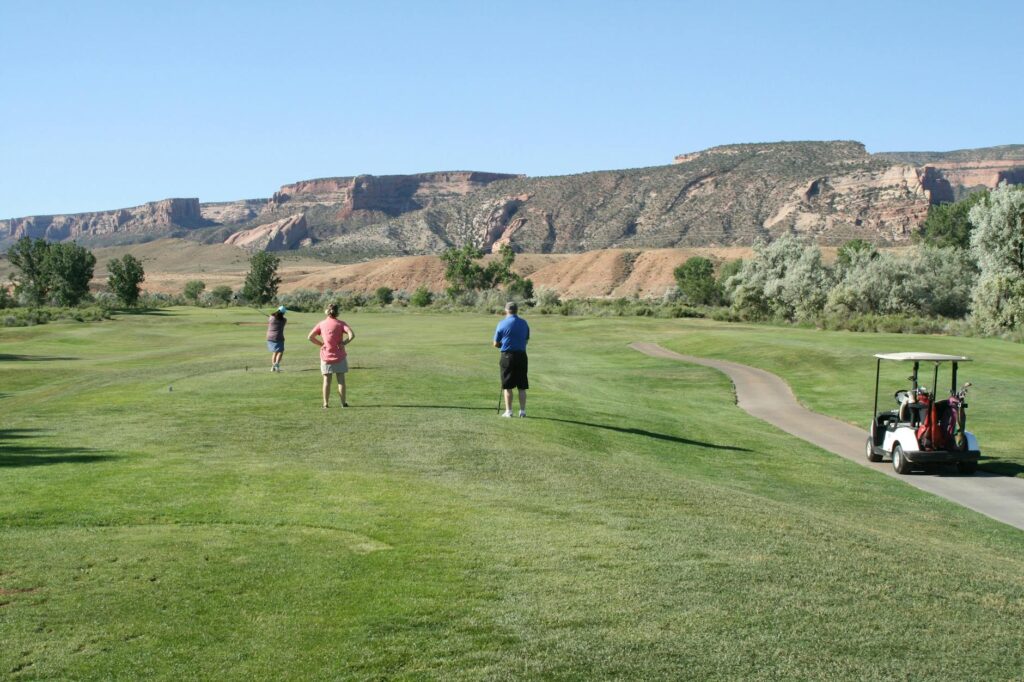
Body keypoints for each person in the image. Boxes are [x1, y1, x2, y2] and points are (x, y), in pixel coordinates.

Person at [308, 303, 355, 408]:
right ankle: (343, 403)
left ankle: (325, 403)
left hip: (326, 356)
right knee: (341, 380)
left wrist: (321, 344)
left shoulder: (321, 324)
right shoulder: (341, 323)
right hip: (340, 356)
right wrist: (343, 343)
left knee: (326, 381)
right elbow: (352, 335)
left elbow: (310, 337)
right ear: (337, 312)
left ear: (327, 312)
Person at [493, 301, 530, 418]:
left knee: (508, 385)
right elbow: (526, 340)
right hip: (522, 356)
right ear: (517, 310)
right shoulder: (524, 323)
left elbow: (495, 343)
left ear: (506, 310)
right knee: (522, 386)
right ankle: (522, 411)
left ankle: (509, 411)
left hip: (507, 356)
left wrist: (501, 345)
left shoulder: (501, 324)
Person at [266, 305, 287, 371]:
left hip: (269, 336)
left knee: (275, 352)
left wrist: (271, 317)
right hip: (278, 336)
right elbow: (281, 319)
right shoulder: (284, 320)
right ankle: (277, 364)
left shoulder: (271, 317)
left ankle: (273, 367)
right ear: (283, 313)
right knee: (280, 351)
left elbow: (270, 318)